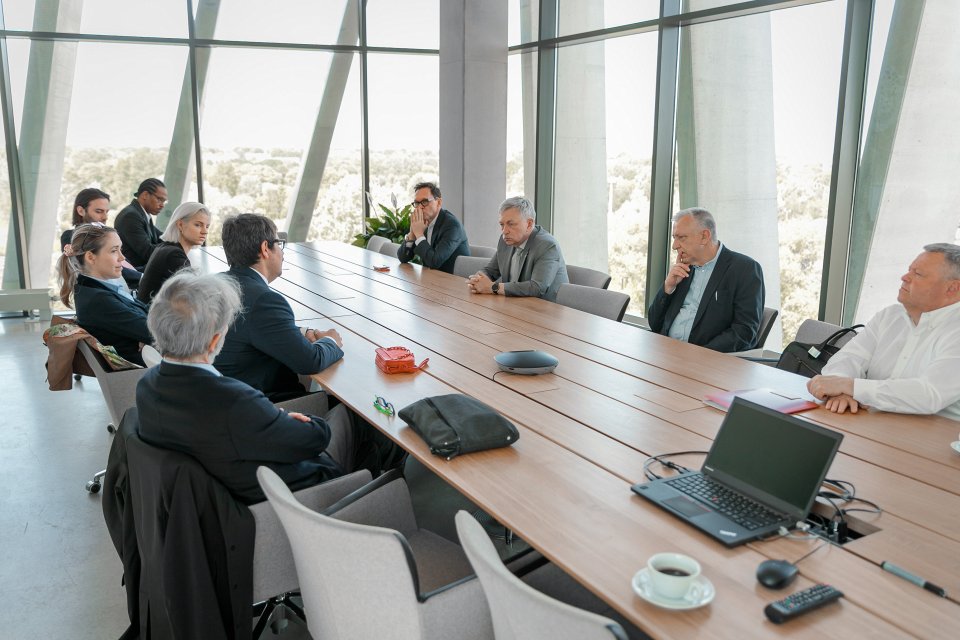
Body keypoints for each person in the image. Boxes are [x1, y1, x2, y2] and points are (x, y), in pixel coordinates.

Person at [137, 271, 394, 504]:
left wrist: (272, 421)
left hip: (223, 489)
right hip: (285, 500)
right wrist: (283, 420)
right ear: (215, 340)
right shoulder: (231, 400)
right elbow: (315, 439)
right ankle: (373, 498)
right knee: (353, 414)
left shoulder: (148, 385)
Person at [807, 243, 960, 420]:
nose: (904, 277)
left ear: (952, 288)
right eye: (909, 270)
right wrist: (841, 391)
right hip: (873, 422)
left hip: (935, 437)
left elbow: (930, 394)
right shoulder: (889, 316)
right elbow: (848, 359)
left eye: (917, 274)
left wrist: (851, 387)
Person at [214, 213, 344, 401]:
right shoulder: (264, 301)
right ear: (265, 248)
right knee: (353, 414)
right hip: (265, 406)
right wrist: (331, 340)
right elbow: (310, 362)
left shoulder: (217, 283)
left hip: (222, 398)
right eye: (279, 244)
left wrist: (300, 332)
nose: (282, 252)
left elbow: (246, 329)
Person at [647, 207, 764, 353]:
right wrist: (668, 287)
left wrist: (700, 355)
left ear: (704, 236)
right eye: (674, 238)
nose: (674, 246)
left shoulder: (745, 269)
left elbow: (744, 331)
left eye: (681, 238)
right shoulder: (683, 268)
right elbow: (654, 323)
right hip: (666, 351)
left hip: (707, 362)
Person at [56, 223, 151, 366]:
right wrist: (150, 337)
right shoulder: (98, 300)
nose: (122, 258)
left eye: (120, 250)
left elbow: (149, 326)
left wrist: (146, 336)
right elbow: (157, 332)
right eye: (114, 251)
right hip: (151, 371)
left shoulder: (95, 289)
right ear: (90, 257)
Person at [466, 196, 568, 302]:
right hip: (515, 304)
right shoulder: (505, 240)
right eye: (502, 224)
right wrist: (478, 279)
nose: (504, 231)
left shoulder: (547, 245)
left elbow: (537, 288)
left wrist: (493, 287)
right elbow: (490, 271)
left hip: (547, 311)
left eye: (511, 224)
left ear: (529, 224)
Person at [61, 188, 143, 290]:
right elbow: (118, 269)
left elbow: (128, 266)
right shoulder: (70, 236)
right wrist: (144, 278)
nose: (105, 217)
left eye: (106, 212)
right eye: (99, 211)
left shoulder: (108, 237)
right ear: (81, 211)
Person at [136, 202, 210, 303]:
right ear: (180, 225)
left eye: (207, 226)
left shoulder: (165, 247)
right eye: (198, 225)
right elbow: (194, 298)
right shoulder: (174, 256)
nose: (205, 231)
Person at [397, 181, 470, 273]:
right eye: (417, 203)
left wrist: (419, 234)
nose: (419, 208)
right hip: (430, 278)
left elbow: (434, 262)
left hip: (452, 281)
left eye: (424, 202)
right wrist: (412, 234)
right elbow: (403, 257)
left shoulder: (452, 226)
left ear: (438, 202)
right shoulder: (421, 222)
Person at [114, 178, 167, 269]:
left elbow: (162, 237)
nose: (162, 205)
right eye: (159, 199)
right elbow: (148, 252)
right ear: (145, 195)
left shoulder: (143, 214)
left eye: (164, 201)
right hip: (135, 273)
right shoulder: (131, 216)